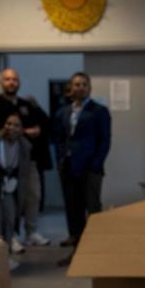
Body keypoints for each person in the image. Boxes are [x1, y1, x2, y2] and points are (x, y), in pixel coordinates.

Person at [0, 68, 52, 251]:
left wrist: (28, 130)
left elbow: (41, 127)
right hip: (3, 163)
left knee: (33, 195)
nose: (11, 82)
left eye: (14, 79)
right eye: (7, 79)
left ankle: (31, 232)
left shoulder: (26, 105)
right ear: (1, 82)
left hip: (27, 160)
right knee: (8, 202)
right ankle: (10, 235)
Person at [52, 72, 111, 262]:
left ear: (90, 88)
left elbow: (105, 141)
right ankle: (77, 250)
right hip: (68, 167)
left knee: (92, 208)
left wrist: (96, 164)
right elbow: (58, 139)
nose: (81, 87)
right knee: (73, 208)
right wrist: (60, 159)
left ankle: (96, 250)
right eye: (77, 84)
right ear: (71, 88)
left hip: (90, 168)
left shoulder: (99, 111)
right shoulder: (63, 111)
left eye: (85, 84)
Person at [0, 112, 32, 270]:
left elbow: (23, 170)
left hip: (11, 185)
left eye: (16, 125)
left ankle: (7, 253)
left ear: (22, 129)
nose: (11, 128)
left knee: (10, 219)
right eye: (8, 123)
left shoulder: (24, 146)